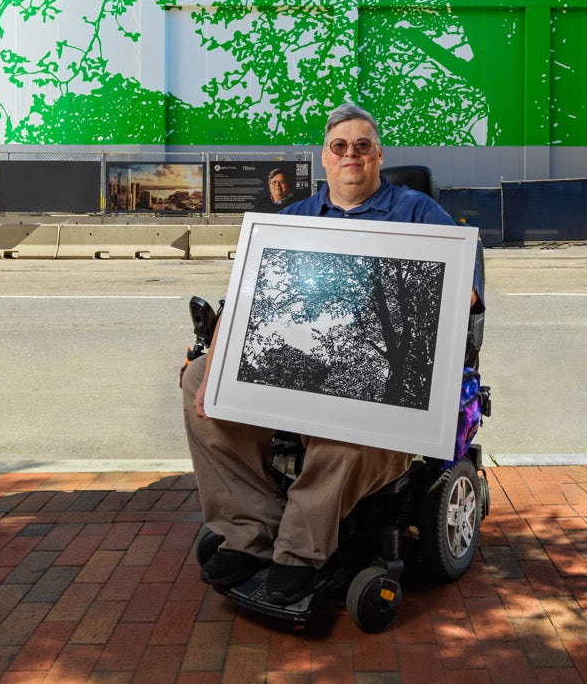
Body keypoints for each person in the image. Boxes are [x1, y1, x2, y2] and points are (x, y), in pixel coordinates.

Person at [182, 102, 484, 605]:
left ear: (378, 156)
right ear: (324, 158)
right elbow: (248, 300)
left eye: (362, 146)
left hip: (379, 362)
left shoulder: (417, 212)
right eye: (340, 146)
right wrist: (215, 357)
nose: (351, 154)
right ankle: (250, 532)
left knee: (357, 415)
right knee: (198, 381)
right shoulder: (294, 218)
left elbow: (465, 291)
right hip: (304, 355)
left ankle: (299, 550)